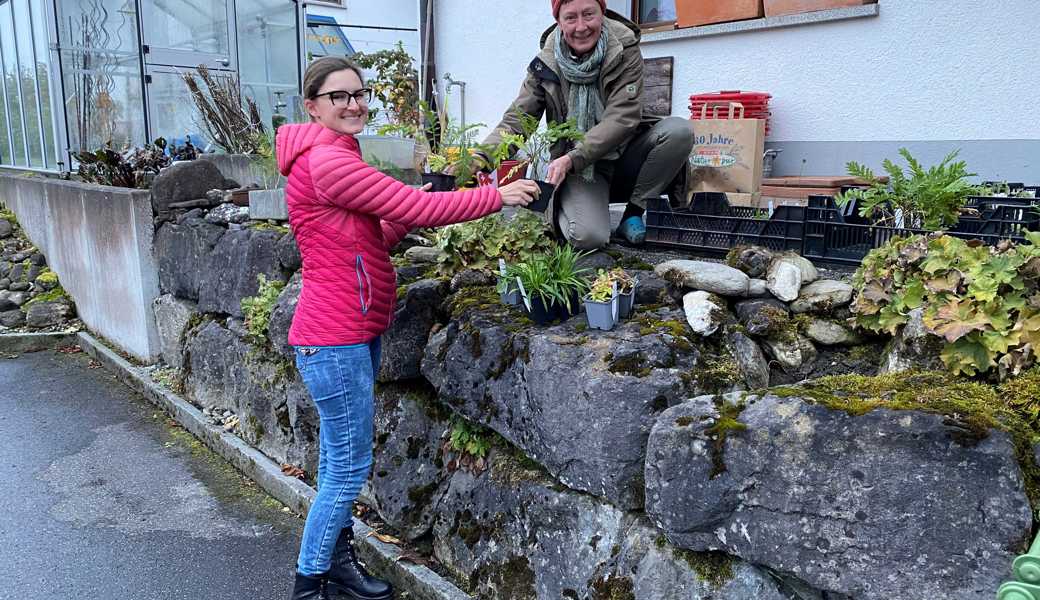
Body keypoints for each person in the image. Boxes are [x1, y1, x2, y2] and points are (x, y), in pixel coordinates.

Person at [275, 56, 539, 600]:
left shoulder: (333, 156)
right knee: (348, 471)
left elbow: (378, 227)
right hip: (335, 338)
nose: (353, 104)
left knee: (338, 464)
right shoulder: (327, 160)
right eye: (338, 96)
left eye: (358, 93)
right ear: (312, 106)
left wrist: (430, 195)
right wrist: (497, 195)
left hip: (349, 333)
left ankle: (337, 569)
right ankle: (307, 587)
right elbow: (417, 206)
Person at [483, 0, 694, 249]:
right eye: (571, 18)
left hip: (623, 156)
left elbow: (622, 116)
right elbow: (518, 119)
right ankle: (560, 205)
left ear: (602, 13)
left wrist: (574, 157)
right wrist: (480, 157)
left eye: (589, 14)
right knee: (587, 237)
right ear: (558, 22)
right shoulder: (546, 63)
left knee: (678, 132)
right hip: (580, 169)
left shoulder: (624, 49)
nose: (581, 27)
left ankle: (634, 213)